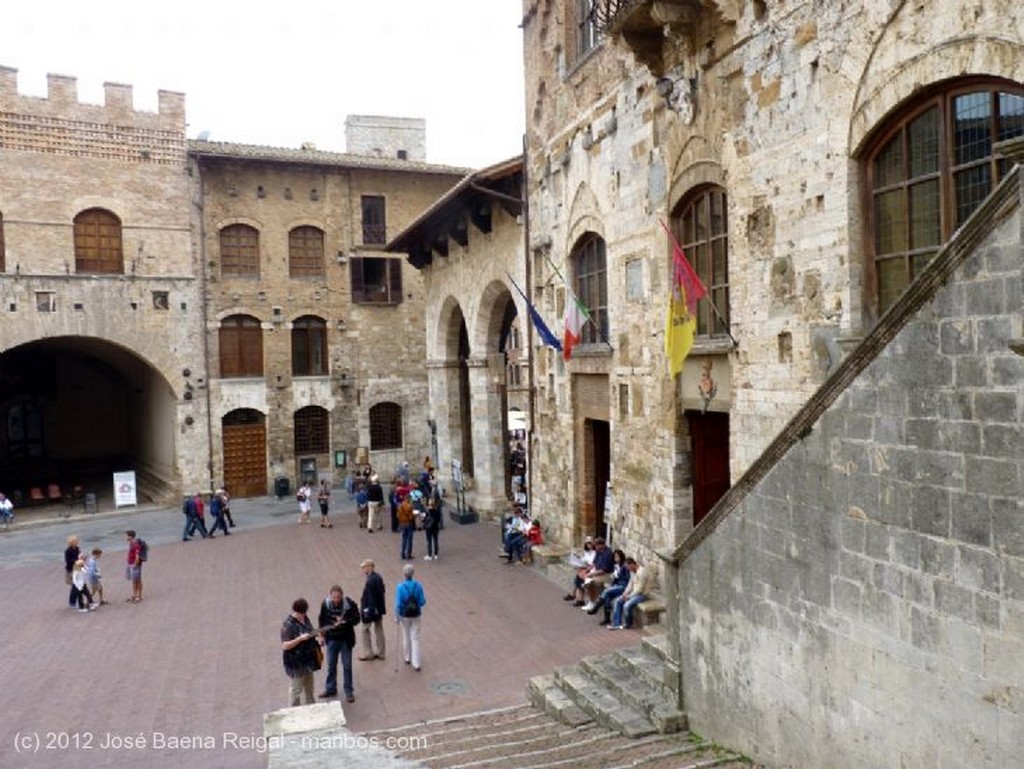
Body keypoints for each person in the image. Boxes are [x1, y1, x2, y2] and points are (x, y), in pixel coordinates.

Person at [317, 585, 360, 702]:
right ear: (330, 596)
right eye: (334, 597)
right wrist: (321, 635)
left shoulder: (349, 604)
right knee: (331, 665)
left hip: (345, 640)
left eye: (338, 597)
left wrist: (345, 621)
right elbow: (321, 620)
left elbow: (357, 618)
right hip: (332, 639)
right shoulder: (325, 604)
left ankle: (349, 691)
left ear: (342, 596)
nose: (336, 600)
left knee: (347, 666)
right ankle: (330, 688)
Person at [280, 598, 320, 706]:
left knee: (309, 687)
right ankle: (294, 712)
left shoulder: (305, 618)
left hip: (308, 661)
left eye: (304, 613)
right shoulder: (288, 625)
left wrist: (315, 635)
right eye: (301, 614)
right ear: (296, 611)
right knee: (296, 690)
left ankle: (311, 708)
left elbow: (310, 630)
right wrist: (300, 639)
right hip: (296, 663)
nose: (303, 616)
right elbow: (285, 646)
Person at [395, 564, 426, 671]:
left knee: (406, 635)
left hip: (404, 615)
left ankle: (407, 657)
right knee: (415, 637)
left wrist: (397, 617)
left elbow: (398, 604)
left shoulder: (400, 587)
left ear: (404, 574)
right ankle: (416, 663)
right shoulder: (418, 585)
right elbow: (422, 602)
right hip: (416, 614)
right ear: (413, 573)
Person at [609, 557, 652, 630]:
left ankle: (628, 624)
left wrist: (629, 597)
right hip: (634, 593)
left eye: (628, 567)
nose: (628, 569)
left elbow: (640, 589)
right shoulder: (632, 571)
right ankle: (616, 623)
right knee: (618, 601)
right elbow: (630, 584)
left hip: (642, 595)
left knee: (627, 605)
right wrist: (625, 593)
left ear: (632, 564)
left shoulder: (642, 572)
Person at [358, 559, 386, 661]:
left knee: (365, 630)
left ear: (369, 567)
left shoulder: (370, 581)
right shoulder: (378, 577)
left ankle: (368, 653)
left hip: (371, 610)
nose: (363, 569)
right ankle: (381, 652)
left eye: (364, 567)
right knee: (379, 629)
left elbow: (371, 598)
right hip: (378, 609)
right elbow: (382, 591)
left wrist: (368, 612)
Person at [593, 548, 629, 622]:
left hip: (623, 586)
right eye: (615, 557)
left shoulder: (625, 566)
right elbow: (615, 577)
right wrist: (613, 576)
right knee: (607, 597)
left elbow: (627, 579)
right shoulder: (616, 566)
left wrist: (619, 575)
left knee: (606, 591)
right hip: (616, 585)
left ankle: (597, 606)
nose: (616, 559)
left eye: (617, 557)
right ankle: (607, 618)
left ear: (621, 557)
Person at [580, 537, 615, 611]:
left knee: (590, 582)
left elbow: (603, 570)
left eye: (596, 545)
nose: (595, 547)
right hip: (599, 573)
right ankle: (592, 600)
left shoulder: (608, 554)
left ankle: (592, 603)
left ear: (601, 545)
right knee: (587, 579)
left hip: (607, 575)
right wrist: (588, 570)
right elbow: (595, 563)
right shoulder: (599, 551)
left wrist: (591, 574)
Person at [563, 537, 595, 605]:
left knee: (580, 575)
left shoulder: (595, 553)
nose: (589, 545)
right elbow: (584, 560)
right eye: (587, 543)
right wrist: (578, 557)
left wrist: (587, 568)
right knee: (579, 573)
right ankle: (579, 598)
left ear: (593, 544)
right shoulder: (587, 552)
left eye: (590, 543)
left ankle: (576, 596)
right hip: (587, 568)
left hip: (593, 570)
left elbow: (595, 564)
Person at [422, 487, 442, 561]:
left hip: (428, 526)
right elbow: (439, 518)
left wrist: (423, 521)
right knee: (436, 540)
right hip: (435, 526)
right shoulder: (436, 510)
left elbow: (423, 516)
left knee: (429, 540)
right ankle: (436, 554)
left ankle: (429, 555)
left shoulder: (426, 510)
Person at [125, 530, 143, 603]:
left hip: (134, 565)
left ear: (130, 536)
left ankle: (139, 596)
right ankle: (135, 595)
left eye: (127, 536)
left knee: (137, 580)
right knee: (134, 580)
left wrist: (135, 565)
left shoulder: (135, 545)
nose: (125, 537)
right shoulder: (131, 543)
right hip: (131, 563)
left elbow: (137, 556)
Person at [397, 493, 416, 560]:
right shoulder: (410, 506)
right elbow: (411, 517)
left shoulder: (400, 506)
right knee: (409, 539)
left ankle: (402, 553)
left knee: (404, 539)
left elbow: (398, 515)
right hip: (409, 523)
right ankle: (408, 554)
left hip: (402, 523)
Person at [64, 535, 81, 607]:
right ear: (72, 542)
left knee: (78, 585)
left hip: (77, 568)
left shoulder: (77, 548)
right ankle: (72, 602)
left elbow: (79, 556)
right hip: (71, 570)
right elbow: (67, 561)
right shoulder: (68, 551)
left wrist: (81, 558)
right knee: (75, 585)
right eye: (75, 541)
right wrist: (76, 560)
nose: (77, 542)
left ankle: (76, 601)